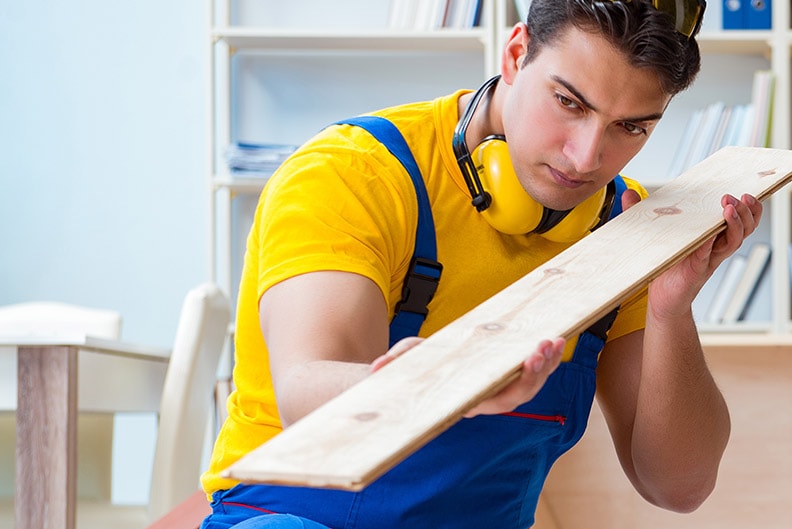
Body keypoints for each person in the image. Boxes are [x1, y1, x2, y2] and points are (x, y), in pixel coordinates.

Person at [200, 0, 758, 527]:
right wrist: (445, 382)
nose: (586, 156)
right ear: (515, 54)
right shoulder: (355, 174)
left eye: (630, 127)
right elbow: (307, 395)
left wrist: (669, 309)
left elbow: (679, 488)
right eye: (569, 103)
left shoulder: (623, 222)